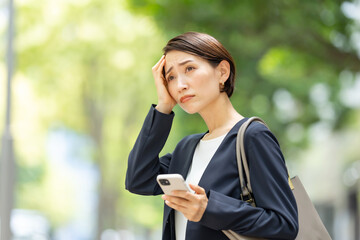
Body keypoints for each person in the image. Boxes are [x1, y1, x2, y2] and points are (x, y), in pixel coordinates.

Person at [125, 32, 298, 240]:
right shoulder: (187, 148)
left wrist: (210, 209)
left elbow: (285, 224)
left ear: (222, 72)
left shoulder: (253, 136)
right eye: (170, 77)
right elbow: (138, 179)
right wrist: (163, 107)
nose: (180, 85)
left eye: (189, 68)